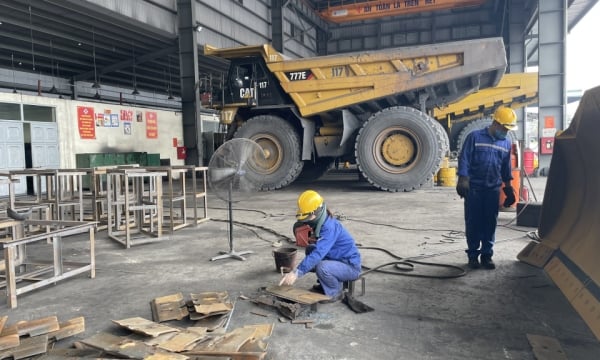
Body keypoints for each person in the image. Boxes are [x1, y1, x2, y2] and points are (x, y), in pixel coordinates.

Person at [456, 107, 517, 270]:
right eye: (504, 128)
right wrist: (463, 178)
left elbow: (506, 168)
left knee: (490, 223)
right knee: (473, 222)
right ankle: (473, 256)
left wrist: (509, 189)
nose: (506, 131)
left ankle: (487, 255)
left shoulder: (506, 143)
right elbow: (465, 159)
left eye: (508, 129)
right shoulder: (474, 137)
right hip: (474, 188)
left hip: (493, 189)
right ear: (496, 123)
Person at [279, 190, 362, 303]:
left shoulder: (329, 227)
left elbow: (318, 254)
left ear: (315, 213)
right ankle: (325, 284)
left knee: (322, 266)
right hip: (338, 259)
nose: (306, 221)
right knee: (310, 249)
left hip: (350, 267)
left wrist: (296, 273)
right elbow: (316, 250)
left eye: (307, 217)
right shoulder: (323, 220)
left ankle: (335, 292)